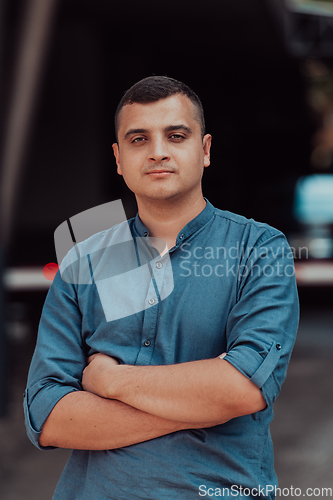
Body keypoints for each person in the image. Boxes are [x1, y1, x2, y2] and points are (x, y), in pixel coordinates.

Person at [24, 76, 299, 500]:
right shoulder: (83, 261)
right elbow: (46, 415)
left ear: (205, 150)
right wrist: (203, 403)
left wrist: (109, 380)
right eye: (138, 139)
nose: (157, 151)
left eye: (175, 135)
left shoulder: (258, 249)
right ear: (117, 158)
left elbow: (243, 388)